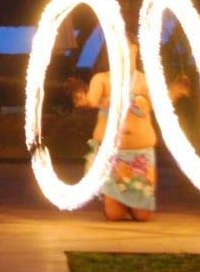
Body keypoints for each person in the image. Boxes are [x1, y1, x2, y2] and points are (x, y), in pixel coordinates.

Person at [65, 36, 191, 221]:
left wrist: (176, 93)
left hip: (140, 157)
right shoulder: (102, 80)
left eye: (127, 49)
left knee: (142, 217)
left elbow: (161, 104)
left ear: (135, 50)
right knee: (114, 215)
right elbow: (91, 100)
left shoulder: (146, 81)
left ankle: (132, 204)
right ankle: (117, 201)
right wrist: (80, 97)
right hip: (112, 156)